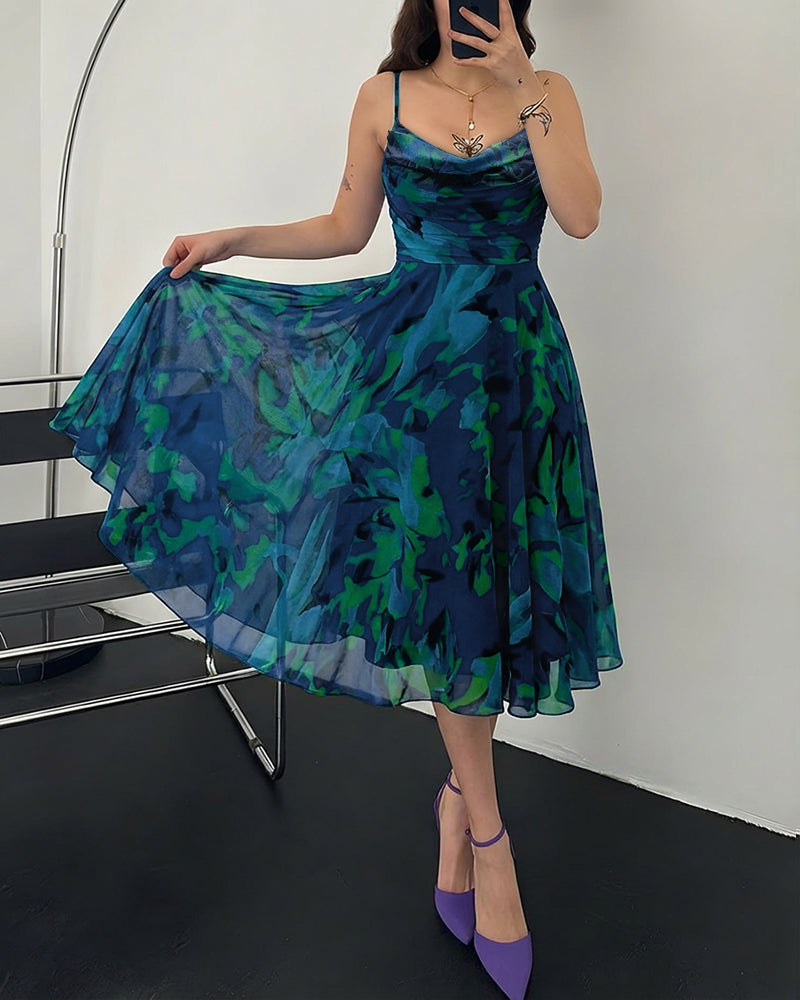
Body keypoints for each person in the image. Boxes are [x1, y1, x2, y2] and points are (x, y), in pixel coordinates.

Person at [50, 1, 623, 996]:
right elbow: (344, 227)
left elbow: (578, 215)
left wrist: (525, 86)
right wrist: (233, 238)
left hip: (515, 381)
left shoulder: (549, 92)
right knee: (443, 600)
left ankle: (457, 805)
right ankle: (489, 841)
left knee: (487, 602)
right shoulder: (382, 96)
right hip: (412, 385)